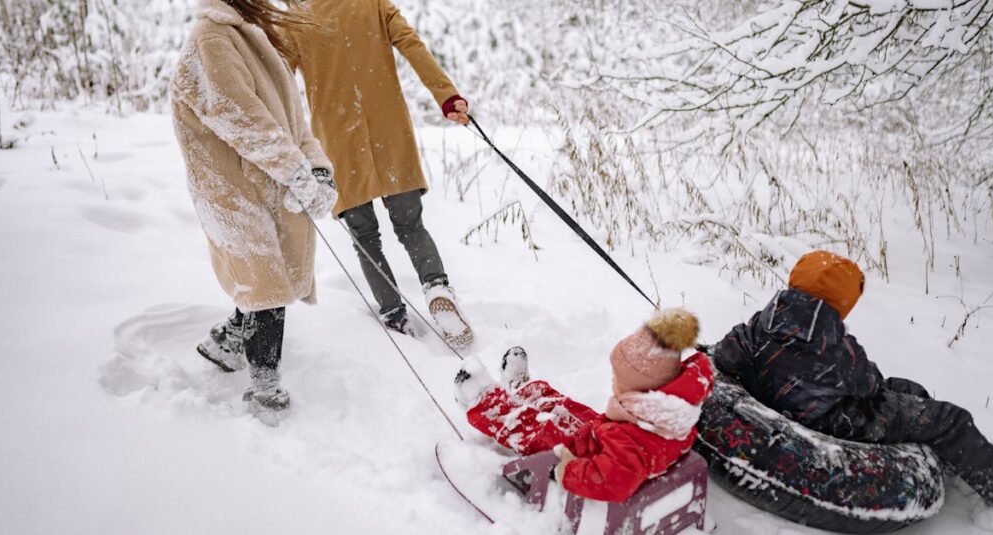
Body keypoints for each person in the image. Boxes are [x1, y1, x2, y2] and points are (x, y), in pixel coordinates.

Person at [712, 250, 993, 516]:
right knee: (949, 419)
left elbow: (726, 354)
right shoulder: (836, 347)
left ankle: (940, 457)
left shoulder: (760, 323)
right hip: (837, 421)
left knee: (904, 389)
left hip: (790, 405)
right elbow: (870, 384)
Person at [170, 0, 338, 417]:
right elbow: (243, 121)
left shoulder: (255, 38)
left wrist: (318, 171)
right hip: (229, 188)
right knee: (265, 282)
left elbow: (294, 124)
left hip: (263, 179)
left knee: (270, 275)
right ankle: (266, 389)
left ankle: (225, 343)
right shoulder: (211, 40)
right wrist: (296, 172)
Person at [285, 0, 473, 348]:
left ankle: (394, 315)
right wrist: (446, 97)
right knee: (410, 224)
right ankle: (436, 286)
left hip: (339, 141)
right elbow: (412, 45)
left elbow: (279, 81)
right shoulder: (372, 4)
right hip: (389, 135)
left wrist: (280, 140)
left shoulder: (298, 19)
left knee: (365, 237)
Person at [454, 309, 714, 502]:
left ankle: (487, 403)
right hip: (602, 437)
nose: (613, 382)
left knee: (534, 430)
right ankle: (524, 392)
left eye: (619, 381)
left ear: (643, 392)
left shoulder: (633, 441)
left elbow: (612, 480)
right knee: (564, 407)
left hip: (584, 457)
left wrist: (568, 470)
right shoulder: (668, 414)